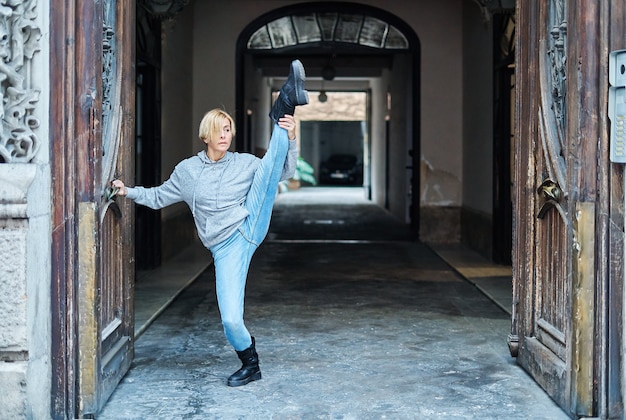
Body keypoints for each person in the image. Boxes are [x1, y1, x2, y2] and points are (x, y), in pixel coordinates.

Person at [112, 59, 309, 387]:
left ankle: (284, 105)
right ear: (206, 134)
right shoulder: (188, 172)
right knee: (231, 319)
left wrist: (289, 139)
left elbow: (281, 172)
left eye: (229, 129)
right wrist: (127, 191)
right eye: (220, 129)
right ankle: (251, 363)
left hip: (248, 223)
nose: (225, 134)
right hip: (224, 247)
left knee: (265, 174)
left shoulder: (244, 163)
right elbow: (160, 197)